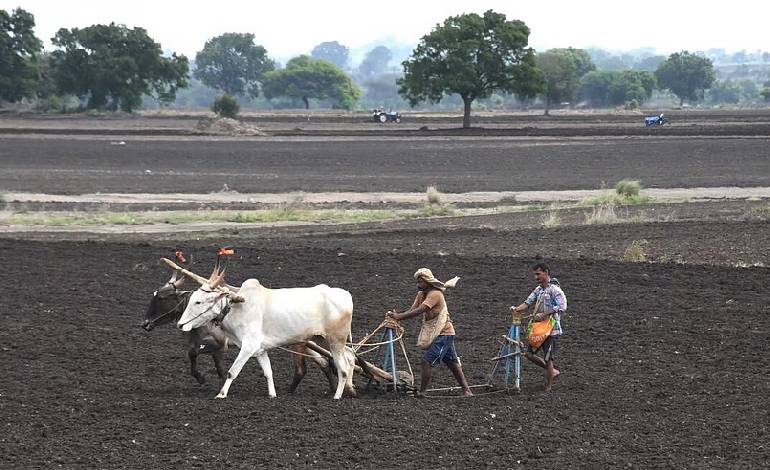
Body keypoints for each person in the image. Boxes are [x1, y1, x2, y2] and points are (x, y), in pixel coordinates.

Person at [386, 268, 473, 398]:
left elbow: (421, 310)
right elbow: (412, 309)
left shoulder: (435, 294)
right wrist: (397, 315)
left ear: (427, 282)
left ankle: (423, 392)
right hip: (439, 333)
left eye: (420, 282)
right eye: (417, 282)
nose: (418, 285)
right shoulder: (421, 294)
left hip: (444, 333)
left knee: (426, 361)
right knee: (452, 363)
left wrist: (399, 317)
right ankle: (467, 391)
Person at [511, 262, 567, 391]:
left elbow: (562, 307)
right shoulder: (539, 290)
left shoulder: (555, 290)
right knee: (529, 355)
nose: (536, 277)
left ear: (546, 272)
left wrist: (545, 314)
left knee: (548, 358)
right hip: (539, 329)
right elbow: (527, 302)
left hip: (551, 330)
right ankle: (552, 371)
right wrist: (516, 309)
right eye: (535, 274)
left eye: (538, 274)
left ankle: (548, 386)